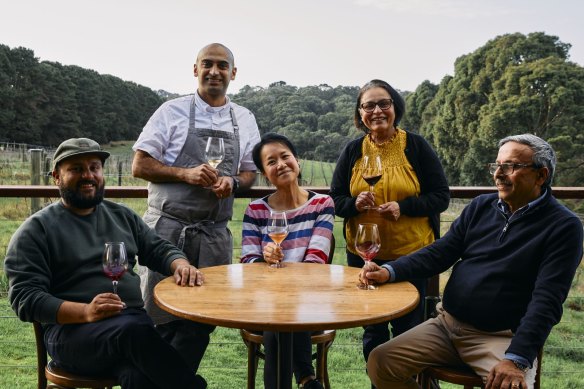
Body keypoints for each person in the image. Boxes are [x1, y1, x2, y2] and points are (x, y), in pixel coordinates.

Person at [361, 134, 584, 389]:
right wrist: (389, 271)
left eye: (510, 166)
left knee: (513, 387)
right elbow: (440, 252)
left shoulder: (563, 226)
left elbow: (547, 300)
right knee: (381, 361)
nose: (498, 173)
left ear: (541, 175)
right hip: (445, 326)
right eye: (497, 165)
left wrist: (516, 359)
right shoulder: (481, 206)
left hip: (499, 338)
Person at [4, 138, 208, 389]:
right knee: (136, 334)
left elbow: (158, 249)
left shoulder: (122, 216)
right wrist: (86, 311)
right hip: (72, 333)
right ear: (56, 176)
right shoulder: (36, 230)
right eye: (76, 169)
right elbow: (25, 298)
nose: (87, 175)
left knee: (139, 374)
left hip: (132, 326)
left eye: (94, 167)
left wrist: (180, 264)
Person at [132, 42, 261, 371]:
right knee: (159, 318)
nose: (214, 71)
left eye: (222, 65)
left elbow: (250, 173)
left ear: (233, 73)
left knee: (202, 322)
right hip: (166, 231)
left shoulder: (244, 118)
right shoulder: (170, 111)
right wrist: (183, 173)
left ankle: (167, 381)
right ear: (195, 69)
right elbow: (140, 165)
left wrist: (233, 182)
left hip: (214, 236)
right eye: (207, 64)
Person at [330, 79, 450, 368]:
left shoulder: (416, 146)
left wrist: (404, 207)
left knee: (408, 330)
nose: (377, 111)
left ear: (395, 107)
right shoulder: (353, 150)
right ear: (360, 113)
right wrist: (353, 204)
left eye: (384, 103)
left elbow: (441, 197)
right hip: (364, 254)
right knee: (373, 329)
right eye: (368, 105)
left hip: (411, 255)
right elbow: (335, 199)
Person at [241, 133, 335, 389]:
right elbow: (247, 261)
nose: (280, 164)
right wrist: (263, 259)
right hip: (263, 303)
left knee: (281, 321)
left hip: (309, 303)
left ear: (297, 162)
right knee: (276, 317)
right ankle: (307, 378)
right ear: (264, 173)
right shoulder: (256, 210)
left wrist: (276, 274)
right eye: (271, 162)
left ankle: (300, 379)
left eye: (285, 157)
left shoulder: (321, 204)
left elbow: (316, 262)